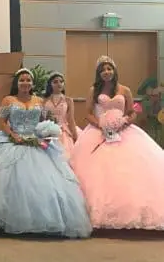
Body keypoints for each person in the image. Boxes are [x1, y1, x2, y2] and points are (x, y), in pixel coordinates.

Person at [0, 68, 92, 238]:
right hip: (12, 141)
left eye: (28, 80)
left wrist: (46, 134)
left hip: (36, 141)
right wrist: (13, 135)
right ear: (17, 83)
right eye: (22, 80)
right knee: (13, 182)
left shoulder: (39, 101)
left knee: (45, 183)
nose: (25, 83)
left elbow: (45, 122)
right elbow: (2, 122)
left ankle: (44, 220)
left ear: (32, 83)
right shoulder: (8, 100)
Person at [70, 56, 164, 230]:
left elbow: (131, 111)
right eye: (103, 70)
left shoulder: (125, 90)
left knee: (130, 171)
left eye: (109, 69)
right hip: (98, 132)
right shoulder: (94, 90)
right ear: (99, 74)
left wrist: (124, 122)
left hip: (124, 132)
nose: (107, 72)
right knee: (97, 171)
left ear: (114, 71)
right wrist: (101, 125)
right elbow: (88, 113)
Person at [43, 72, 79, 158]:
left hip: (63, 132)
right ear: (50, 84)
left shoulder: (68, 100)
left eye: (61, 81)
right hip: (48, 131)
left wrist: (75, 136)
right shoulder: (44, 100)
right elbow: (42, 118)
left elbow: (71, 119)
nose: (59, 84)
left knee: (65, 156)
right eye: (55, 82)